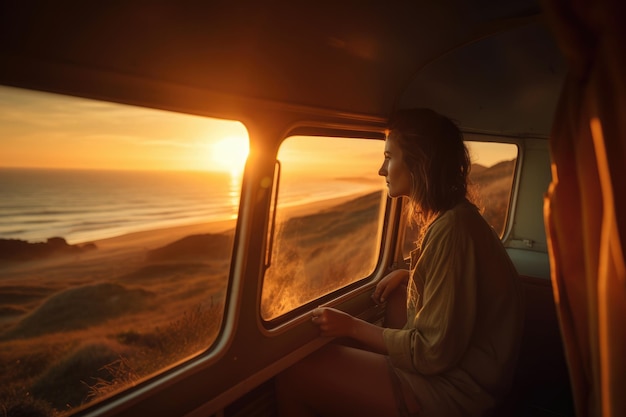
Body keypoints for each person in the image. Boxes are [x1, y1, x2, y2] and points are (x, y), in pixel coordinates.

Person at [274, 108, 524, 417]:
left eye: (389, 157)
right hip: (460, 372)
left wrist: (351, 326)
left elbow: (431, 352)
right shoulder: (455, 219)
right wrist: (411, 275)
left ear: (420, 163)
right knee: (395, 297)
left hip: (460, 390)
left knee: (295, 375)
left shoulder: (453, 230)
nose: (382, 169)